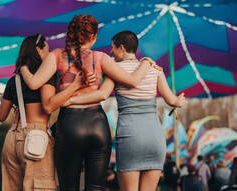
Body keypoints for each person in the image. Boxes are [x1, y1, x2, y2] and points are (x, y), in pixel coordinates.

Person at [20, 15, 155, 191]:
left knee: (69, 187)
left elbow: (34, 83)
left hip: (69, 125)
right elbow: (132, 81)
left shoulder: (56, 57)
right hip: (97, 125)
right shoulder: (101, 58)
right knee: (96, 188)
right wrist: (146, 62)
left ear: (71, 34)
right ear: (93, 36)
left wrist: (22, 67)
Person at [64, 30, 186, 191]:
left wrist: (70, 99)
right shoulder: (154, 69)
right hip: (155, 138)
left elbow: (101, 94)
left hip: (131, 137)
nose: (111, 52)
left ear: (121, 48)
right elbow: (172, 101)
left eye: (113, 48)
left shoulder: (115, 70)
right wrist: (180, 100)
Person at [0, 34, 85, 191]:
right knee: (40, 186)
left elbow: (1, 116)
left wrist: (4, 101)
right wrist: (74, 86)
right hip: (35, 136)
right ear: (38, 50)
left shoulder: (14, 80)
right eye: (48, 50)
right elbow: (49, 105)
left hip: (11, 138)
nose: (50, 55)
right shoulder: (46, 75)